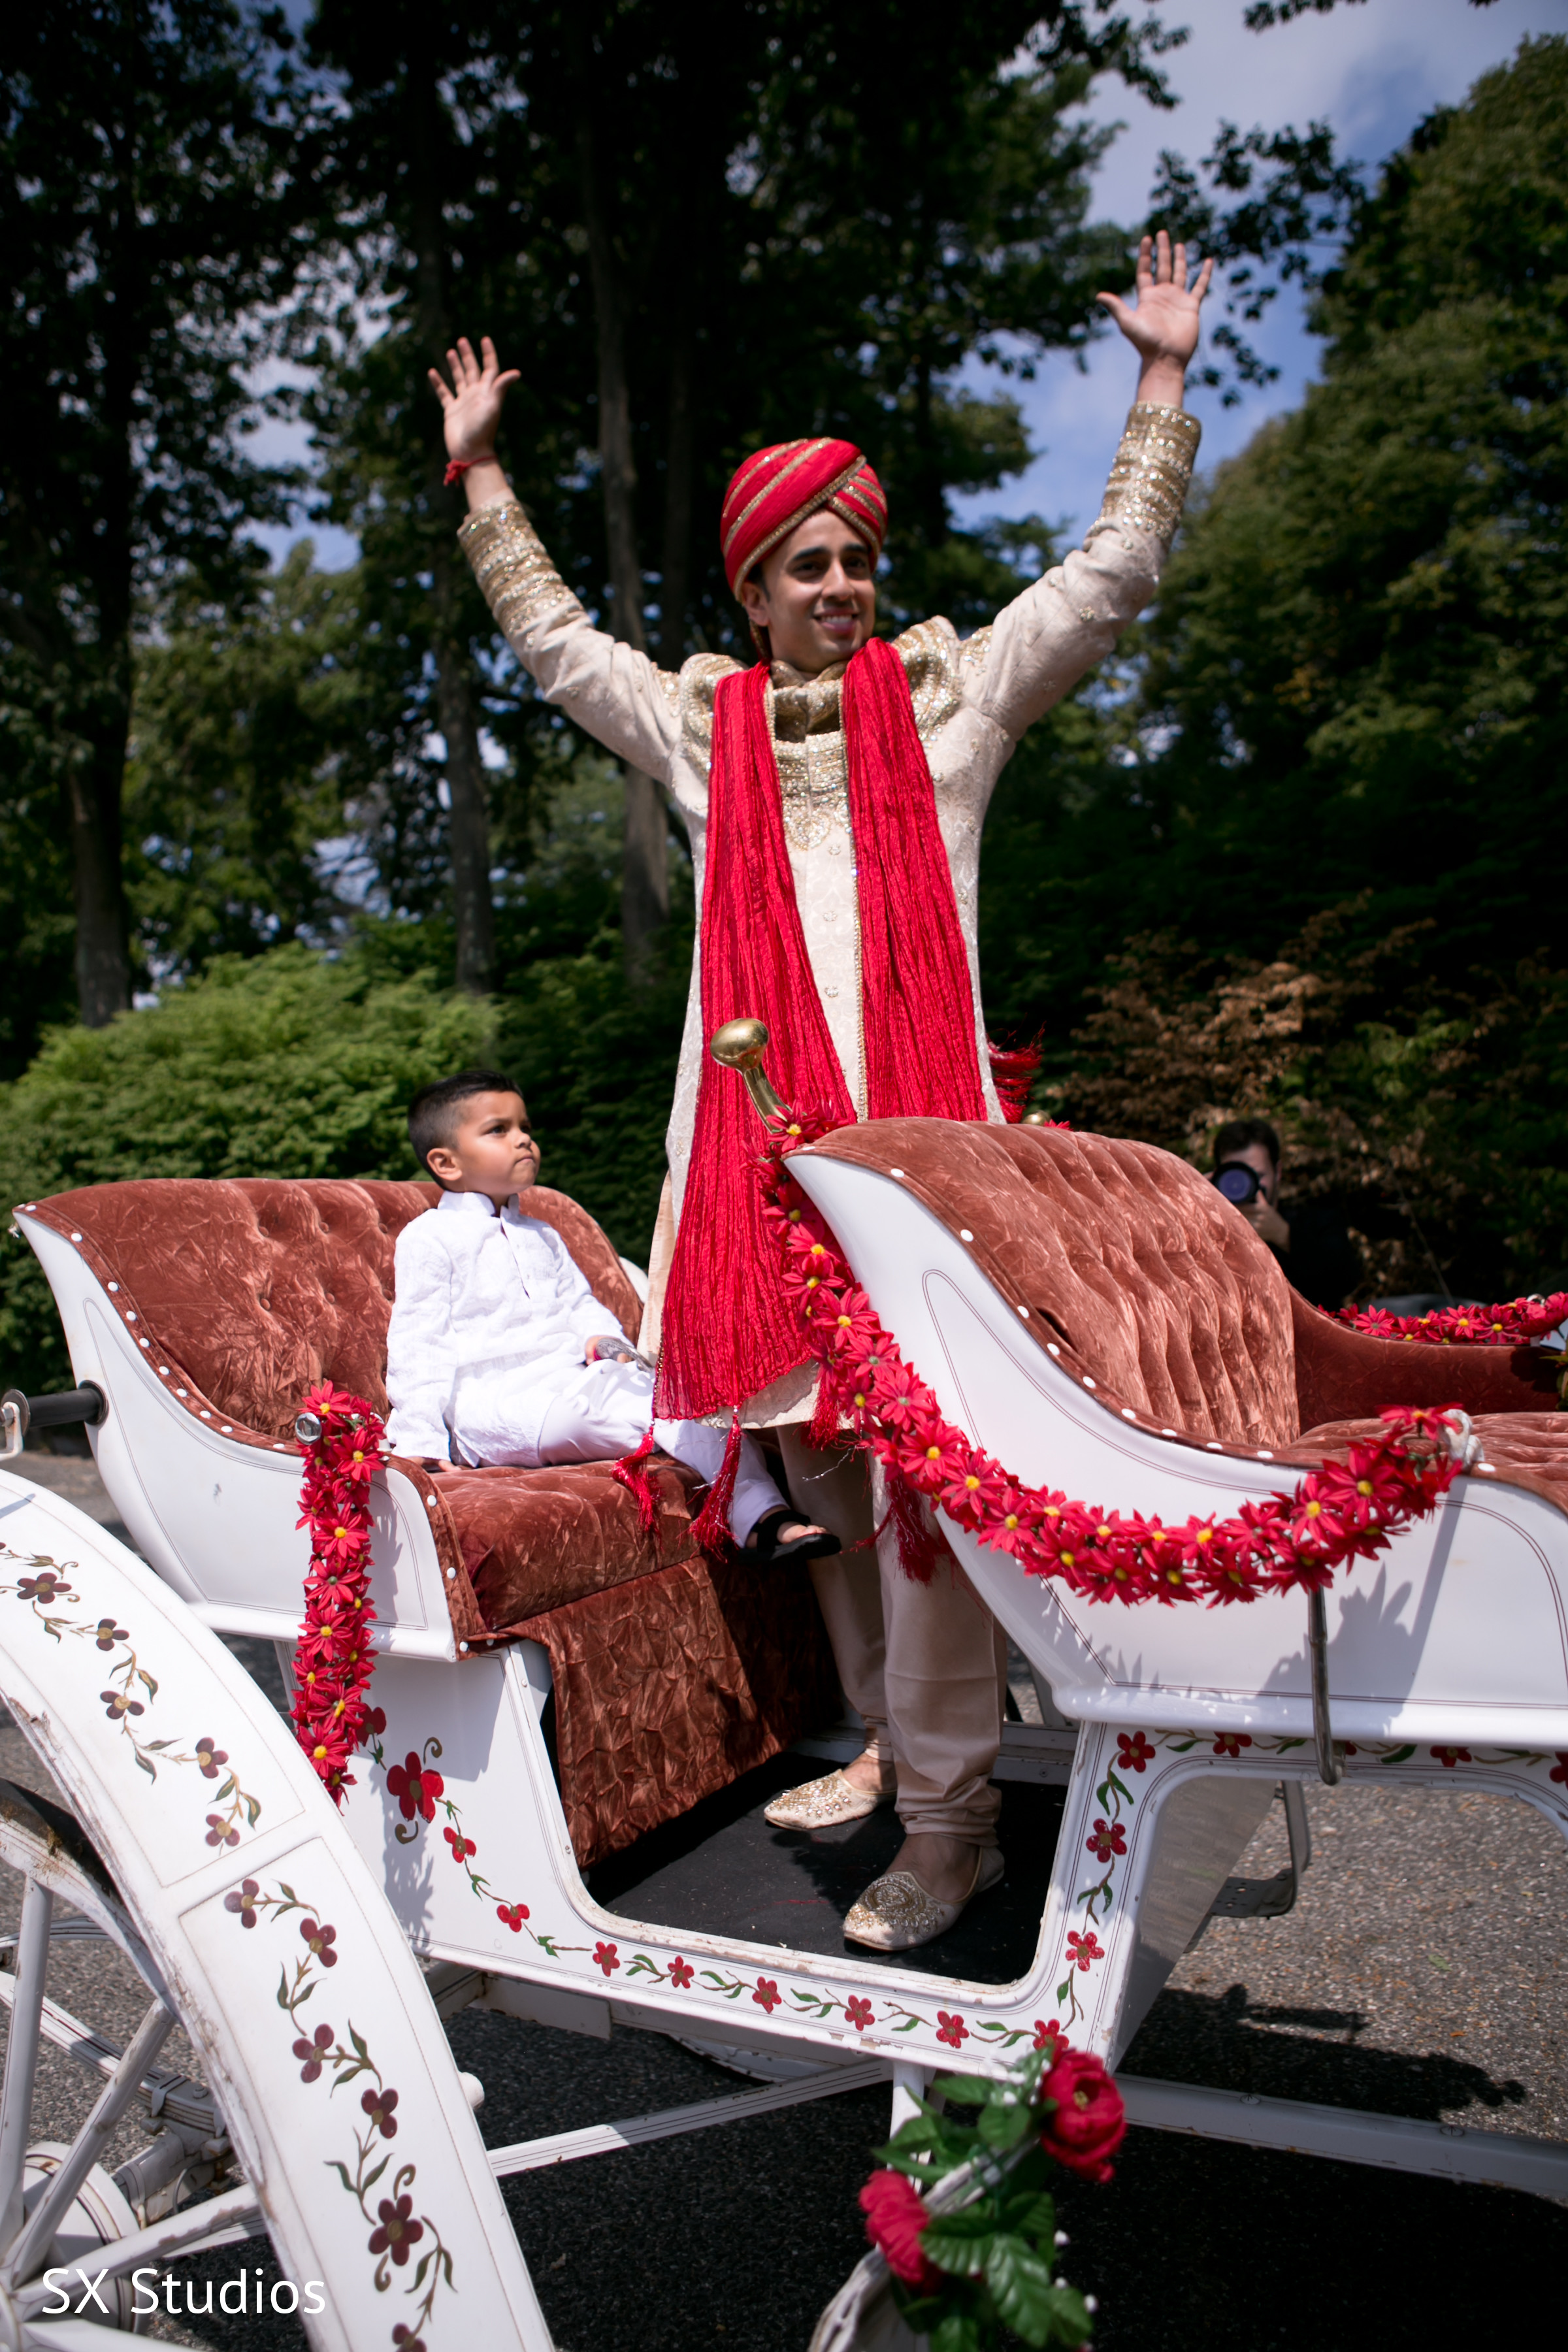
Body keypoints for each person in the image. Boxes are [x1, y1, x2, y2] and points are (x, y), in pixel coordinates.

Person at [429, 231, 1210, 1951]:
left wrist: (1159, 380)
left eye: (858, 557)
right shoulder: (702, 733)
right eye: (808, 565)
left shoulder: (952, 706)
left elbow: (1106, 577)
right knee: (838, 1483)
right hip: (764, 1178)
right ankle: (882, 1752)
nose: (842, 585)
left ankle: (952, 1827)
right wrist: (480, 479)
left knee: (924, 1486)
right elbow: (559, 647)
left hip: (927, 1187)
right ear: (752, 593)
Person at [384, 1068, 836, 1560]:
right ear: (446, 1162)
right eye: (499, 1130)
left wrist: (604, 1341)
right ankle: (763, 1519)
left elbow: (581, 1307)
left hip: (570, 1385)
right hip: (499, 1408)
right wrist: (418, 1441)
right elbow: (418, 1343)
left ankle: (764, 1515)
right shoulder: (429, 1237)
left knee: (692, 1395)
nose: (524, 1142)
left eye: (525, 1128)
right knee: (675, 1413)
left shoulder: (541, 1233)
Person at [1211, 1117, 1361, 1312]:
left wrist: (1284, 1235)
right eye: (1235, 1178)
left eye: (1258, 1176)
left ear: (1277, 1172)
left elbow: (1345, 1279)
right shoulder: (1207, 1230)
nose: (1245, 1186)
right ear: (1217, 1177)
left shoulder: (1316, 1220)